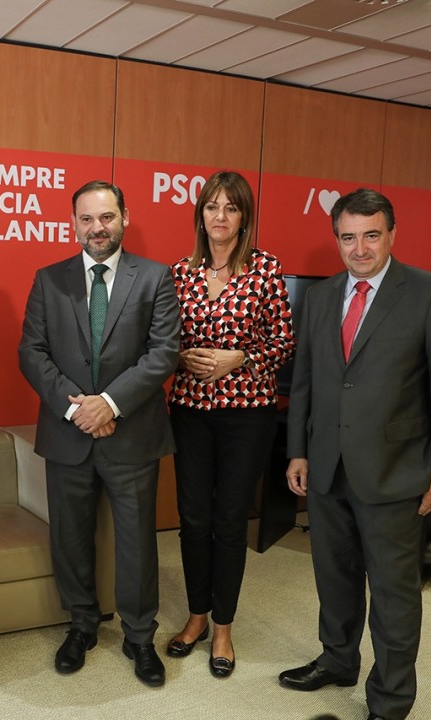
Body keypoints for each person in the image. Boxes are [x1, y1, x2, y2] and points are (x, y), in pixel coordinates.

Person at [281, 188, 431, 720]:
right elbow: (305, 381)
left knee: (393, 593)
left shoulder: (430, 292)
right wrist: (298, 451)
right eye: (348, 237)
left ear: (391, 234)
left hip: (395, 470)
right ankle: (337, 660)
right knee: (334, 578)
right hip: (326, 467)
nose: (359, 248)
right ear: (337, 239)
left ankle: (389, 701)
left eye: (371, 235)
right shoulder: (321, 296)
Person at [18, 180, 180, 687]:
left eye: (106, 217)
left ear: (124, 217)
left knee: (137, 542)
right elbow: (32, 353)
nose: (97, 228)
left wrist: (108, 404)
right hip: (68, 433)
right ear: (74, 224)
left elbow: (163, 353)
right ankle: (81, 625)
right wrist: (79, 411)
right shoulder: (49, 279)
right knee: (69, 538)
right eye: (86, 219)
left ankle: (139, 636)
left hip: (132, 434)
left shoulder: (155, 277)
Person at [165, 171, 295, 678]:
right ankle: (197, 616)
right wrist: (182, 357)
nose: (220, 216)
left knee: (229, 521)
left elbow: (283, 342)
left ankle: (223, 627)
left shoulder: (266, 269)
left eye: (231, 207)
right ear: (200, 215)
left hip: (248, 414)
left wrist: (239, 358)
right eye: (212, 207)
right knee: (194, 518)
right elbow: (160, 342)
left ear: (244, 217)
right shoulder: (179, 273)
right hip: (190, 411)